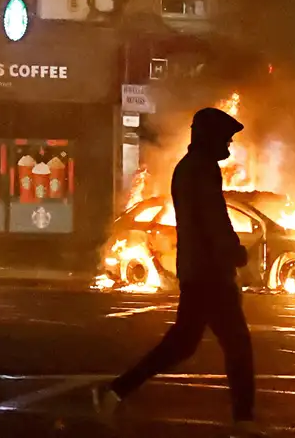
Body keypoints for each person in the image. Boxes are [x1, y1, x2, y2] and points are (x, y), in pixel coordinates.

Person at [94, 107, 261, 437]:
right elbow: (215, 220)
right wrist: (234, 252)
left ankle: (114, 392)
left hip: (197, 270)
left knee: (182, 343)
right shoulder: (202, 170)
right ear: (208, 137)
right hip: (211, 273)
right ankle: (244, 420)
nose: (228, 145)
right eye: (225, 138)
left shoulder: (189, 168)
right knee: (237, 343)